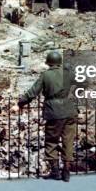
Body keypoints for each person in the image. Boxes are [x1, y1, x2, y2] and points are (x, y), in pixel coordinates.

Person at [17, 50, 77, 182]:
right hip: (70, 110)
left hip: (54, 111)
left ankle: (55, 171)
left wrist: (21, 102)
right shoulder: (68, 74)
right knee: (68, 141)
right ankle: (66, 171)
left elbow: (33, 92)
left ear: (49, 62)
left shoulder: (45, 75)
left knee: (51, 141)